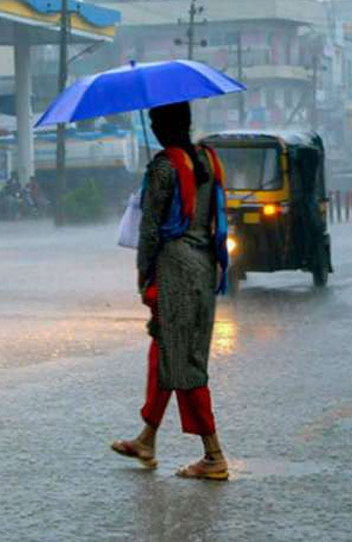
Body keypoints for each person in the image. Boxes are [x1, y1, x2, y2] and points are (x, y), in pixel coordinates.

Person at [111, 101, 230, 481]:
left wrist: (144, 274)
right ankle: (147, 437)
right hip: (204, 266)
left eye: (154, 121)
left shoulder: (164, 167)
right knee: (165, 351)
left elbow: (149, 230)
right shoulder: (209, 160)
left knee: (183, 362)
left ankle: (213, 455)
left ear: (163, 126)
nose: (153, 127)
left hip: (174, 270)